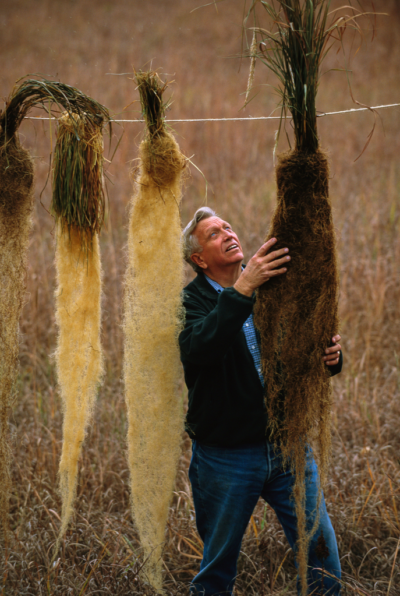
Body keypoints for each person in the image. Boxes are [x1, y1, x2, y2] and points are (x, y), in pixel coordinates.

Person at [179, 206, 343, 596]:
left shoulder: (270, 289)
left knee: (322, 559)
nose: (228, 233)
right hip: (226, 458)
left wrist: (329, 359)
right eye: (214, 234)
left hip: (288, 449)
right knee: (217, 571)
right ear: (198, 259)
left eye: (228, 226)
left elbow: (298, 351)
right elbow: (200, 349)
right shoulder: (191, 303)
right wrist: (242, 289)